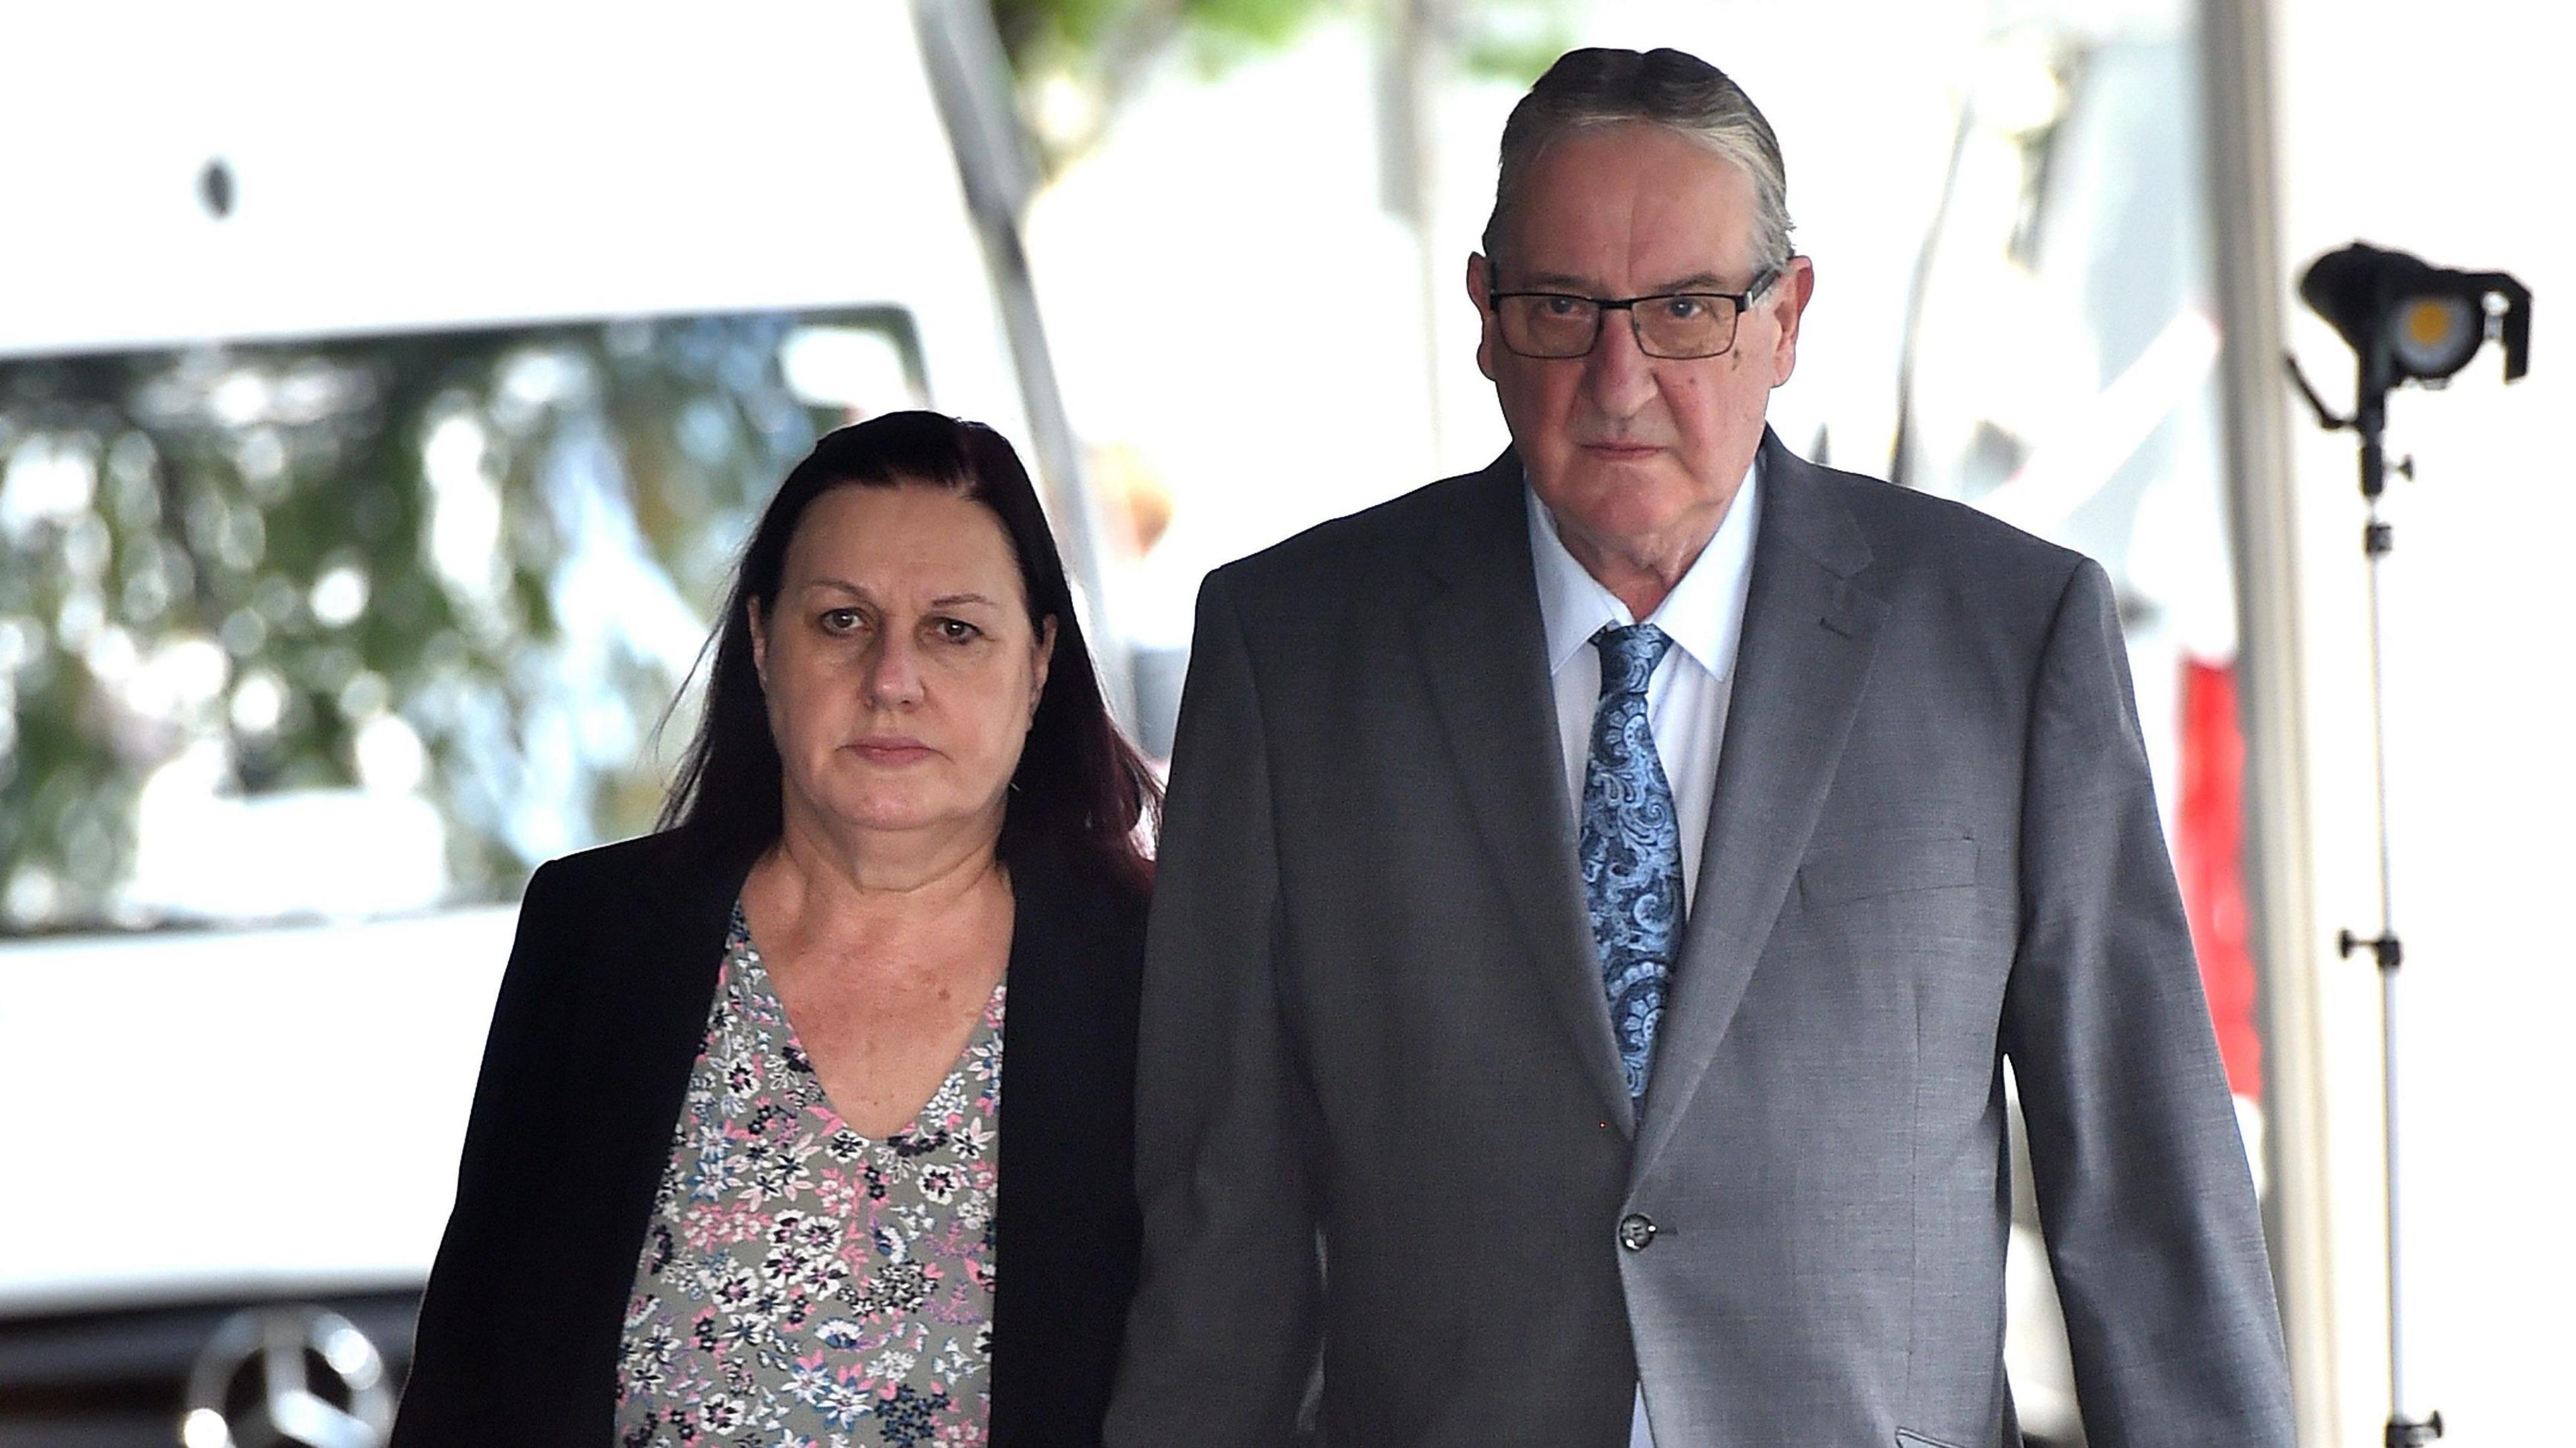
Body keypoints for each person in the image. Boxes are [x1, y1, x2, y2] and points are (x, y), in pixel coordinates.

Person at [1106, 46, 2294, 1448]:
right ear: (1485, 314)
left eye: (1686, 311)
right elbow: (1223, 1222)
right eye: (1564, 307)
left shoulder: (2004, 638)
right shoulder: (1295, 654)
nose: (1622, 376)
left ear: (1787, 319)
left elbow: (2151, 1196)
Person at [394, 412, 1159, 1445]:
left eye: (954, 629)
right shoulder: (600, 937)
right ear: (762, 643)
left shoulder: (1161, 962)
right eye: (842, 621)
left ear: (1038, 662)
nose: (893, 679)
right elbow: (469, 1378)